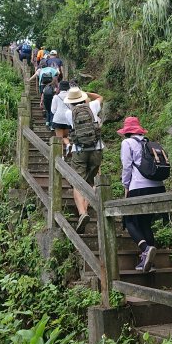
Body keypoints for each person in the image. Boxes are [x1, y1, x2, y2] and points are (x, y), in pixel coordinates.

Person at [118, 117, 165, 272]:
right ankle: (149, 263)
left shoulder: (127, 143)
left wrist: (126, 186)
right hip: (158, 187)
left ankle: (145, 249)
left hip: (138, 187)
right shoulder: (149, 143)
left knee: (129, 220)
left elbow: (126, 166)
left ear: (127, 132)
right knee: (145, 223)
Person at [64, 87, 104, 234]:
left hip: (79, 150)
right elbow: (100, 97)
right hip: (96, 148)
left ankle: (82, 212)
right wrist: (88, 93)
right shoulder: (92, 106)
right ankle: (87, 205)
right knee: (92, 181)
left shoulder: (69, 113)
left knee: (77, 181)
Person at [51, 80, 71, 154]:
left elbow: (53, 110)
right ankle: (68, 144)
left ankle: (61, 156)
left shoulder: (56, 97)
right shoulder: (71, 96)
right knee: (65, 136)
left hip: (58, 119)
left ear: (60, 87)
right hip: (68, 119)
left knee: (59, 139)